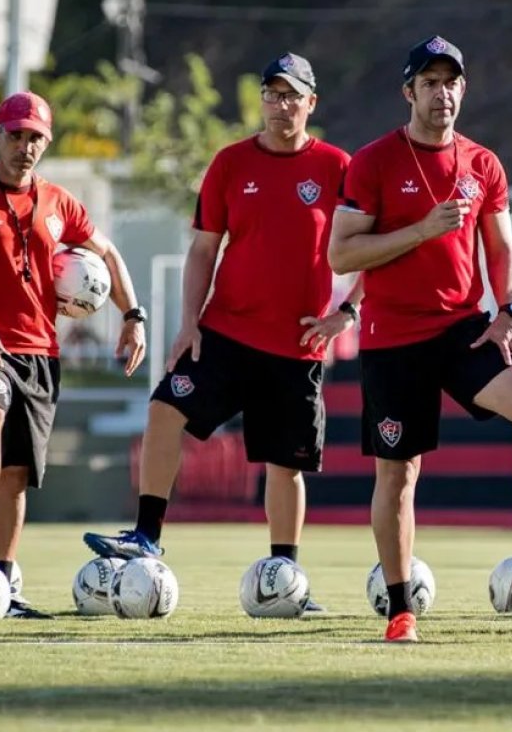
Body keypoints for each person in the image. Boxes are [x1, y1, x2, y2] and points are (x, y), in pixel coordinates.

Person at [328, 35, 512, 643]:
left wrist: (508, 309)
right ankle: (400, 607)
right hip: (391, 335)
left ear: (464, 89)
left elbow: (502, 249)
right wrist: (423, 229)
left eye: (451, 81)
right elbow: (340, 253)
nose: (442, 93)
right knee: (399, 475)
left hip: (461, 326)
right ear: (409, 92)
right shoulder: (373, 161)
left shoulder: (484, 164)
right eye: (429, 82)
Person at [83, 54, 359, 611]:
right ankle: (146, 536)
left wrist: (346, 314)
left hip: (296, 344)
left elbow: (370, 250)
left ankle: (286, 577)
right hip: (225, 333)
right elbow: (203, 249)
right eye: (272, 93)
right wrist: (189, 324)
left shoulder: (338, 167)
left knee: (286, 466)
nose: (281, 105)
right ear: (261, 99)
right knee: (164, 409)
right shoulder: (230, 164)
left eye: (292, 96)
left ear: (311, 103)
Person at [0, 91, 147, 618]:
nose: (25, 146)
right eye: (15, 135)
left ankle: (0, 584)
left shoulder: (61, 203)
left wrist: (133, 316)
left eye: (35, 137)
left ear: (46, 141)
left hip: (42, 351)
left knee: (18, 473)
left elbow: (105, 253)